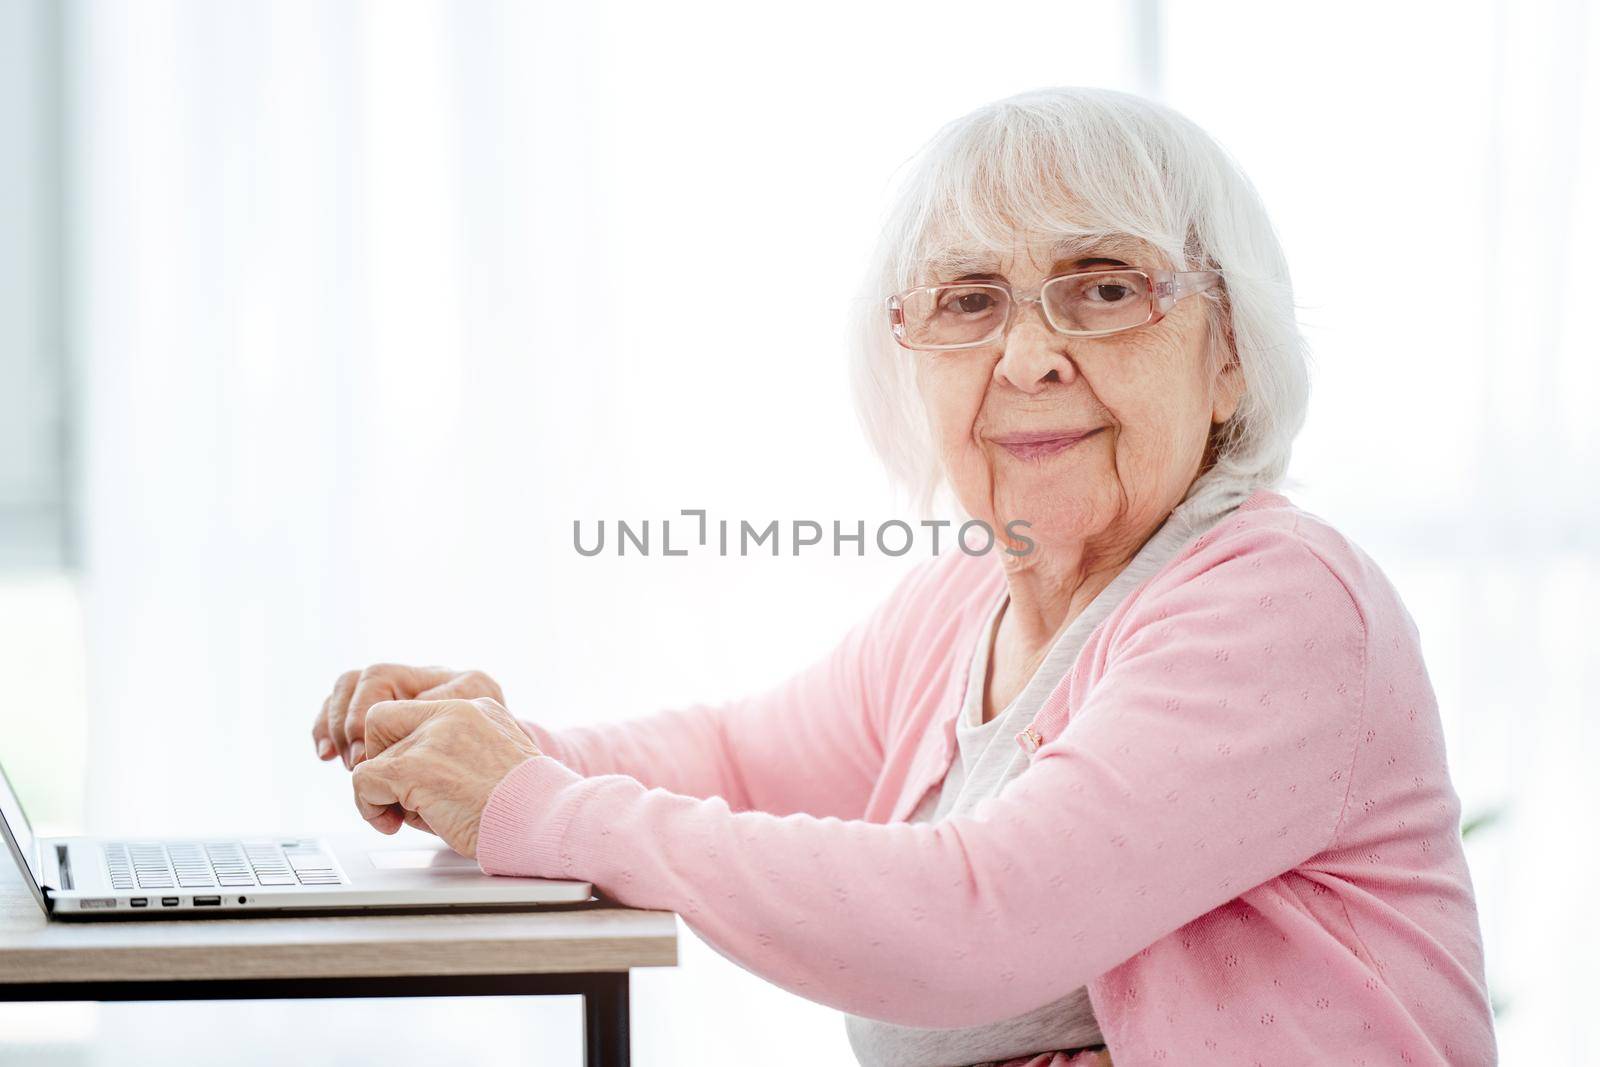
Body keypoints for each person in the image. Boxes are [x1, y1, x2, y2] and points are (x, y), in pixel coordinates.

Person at [311, 87, 1496, 1065]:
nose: (1028, 355)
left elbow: (983, 913)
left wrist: (541, 805)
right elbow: (737, 757)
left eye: (1103, 286)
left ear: (1230, 351)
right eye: (969, 300)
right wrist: (494, 748)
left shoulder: (1274, 601)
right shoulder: (969, 598)